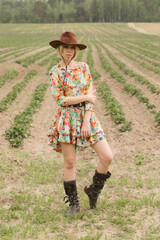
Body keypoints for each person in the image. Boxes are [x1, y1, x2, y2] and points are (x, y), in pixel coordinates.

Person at [47, 32, 113, 217]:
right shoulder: (55, 71)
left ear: (76, 50)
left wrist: (86, 120)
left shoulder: (84, 67)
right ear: (60, 49)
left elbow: (92, 96)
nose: (69, 51)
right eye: (66, 47)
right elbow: (61, 99)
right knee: (69, 162)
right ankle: (73, 204)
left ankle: (93, 190)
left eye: (72, 48)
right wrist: (85, 97)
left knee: (107, 157)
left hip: (87, 117)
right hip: (67, 119)